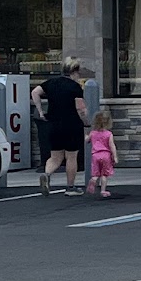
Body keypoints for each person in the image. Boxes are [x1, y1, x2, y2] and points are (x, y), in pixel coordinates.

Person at [37, 58, 88, 195]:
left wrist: (41, 111)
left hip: (54, 125)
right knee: (71, 157)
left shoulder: (51, 83)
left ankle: (47, 175)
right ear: (74, 72)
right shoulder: (75, 87)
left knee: (55, 157)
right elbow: (80, 109)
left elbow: (35, 92)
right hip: (71, 125)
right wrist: (86, 121)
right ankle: (70, 187)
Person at [85, 108, 118, 199]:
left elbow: (87, 141)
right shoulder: (108, 134)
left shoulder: (93, 133)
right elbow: (112, 146)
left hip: (95, 155)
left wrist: (86, 135)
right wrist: (115, 157)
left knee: (95, 174)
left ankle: (93, 181)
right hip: (106, 155)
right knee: (104, 174)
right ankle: (103, 190)